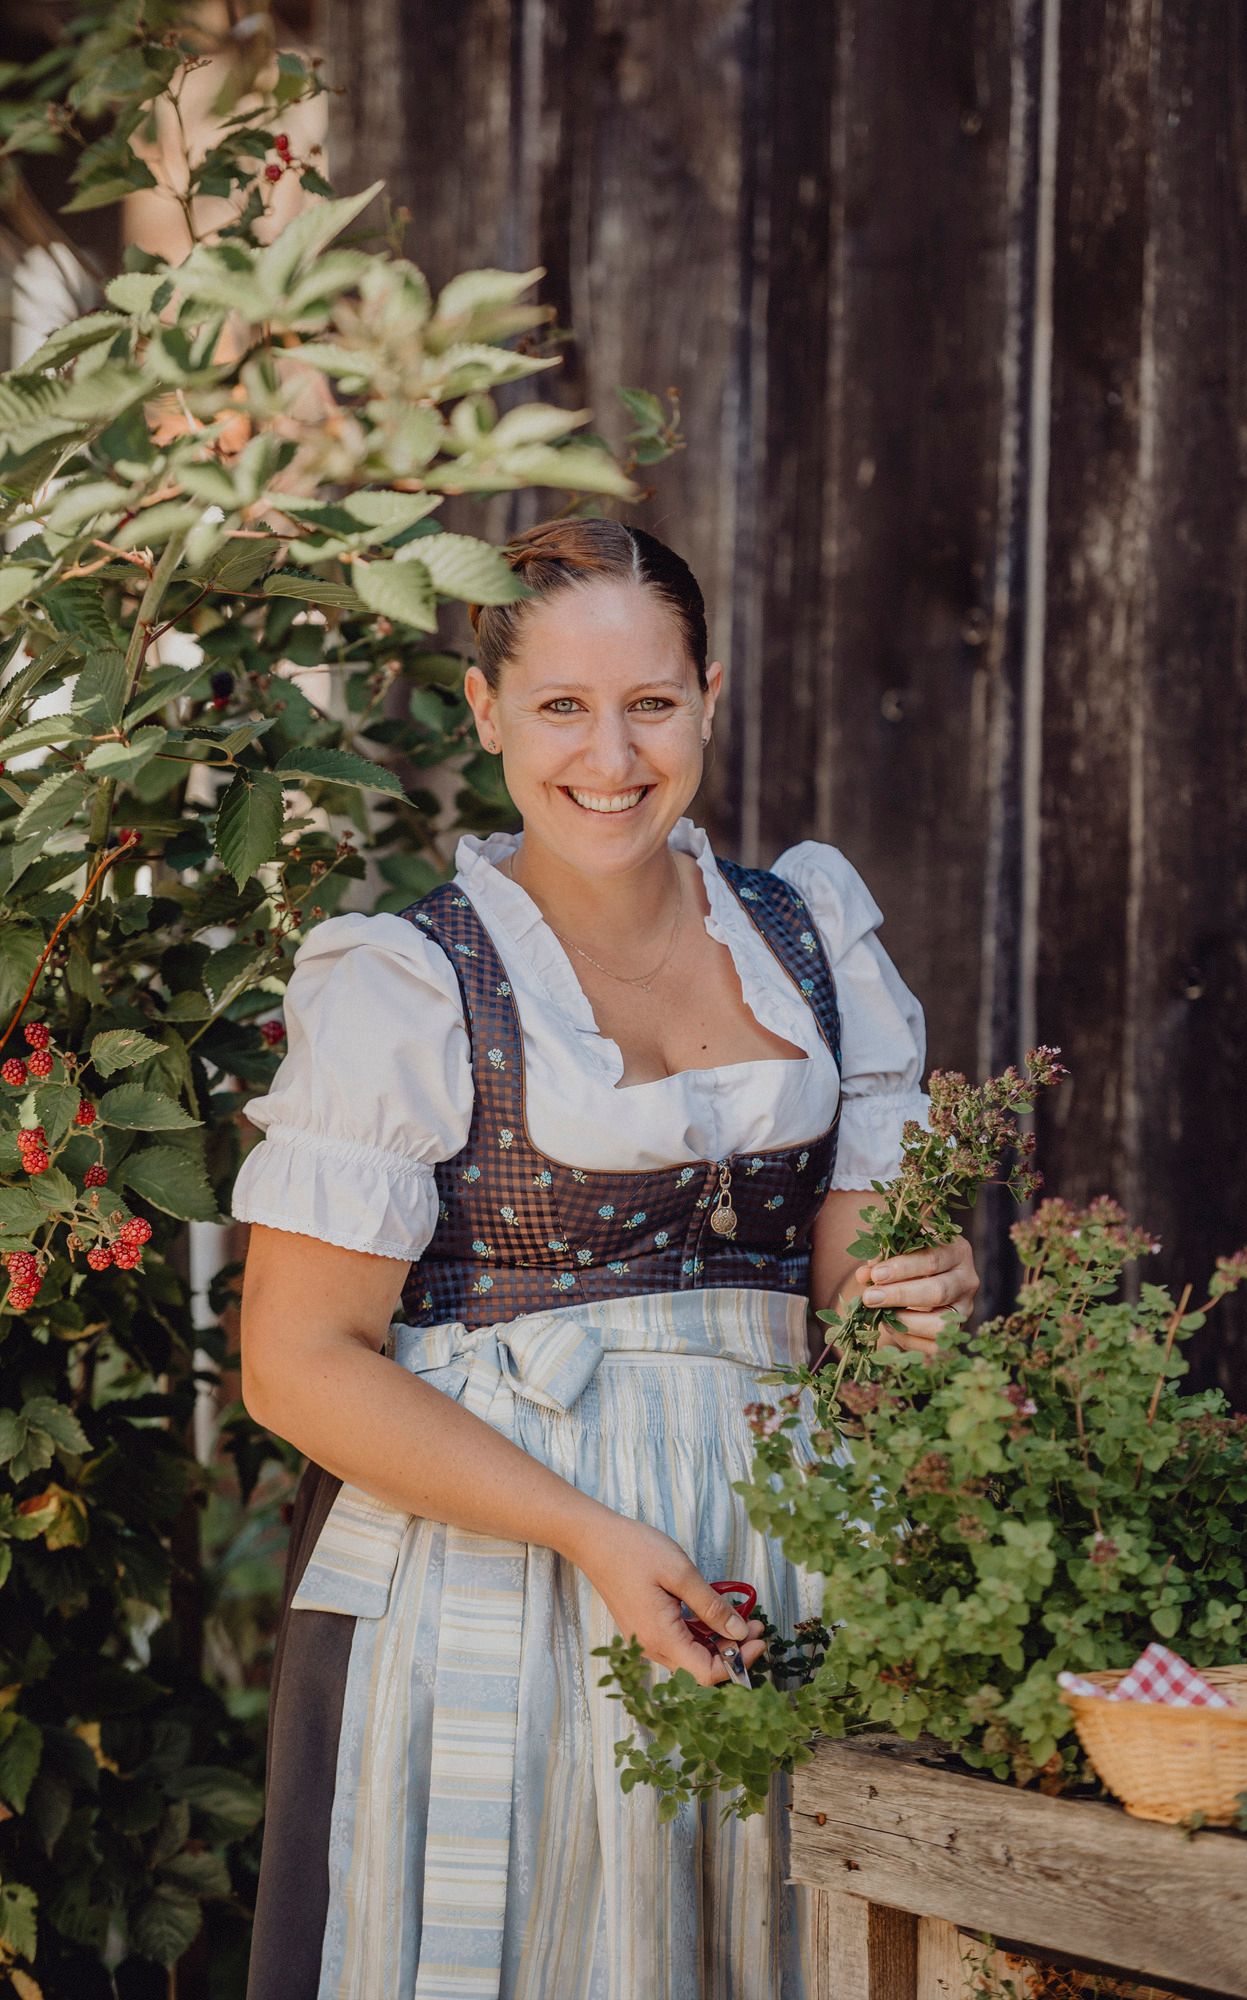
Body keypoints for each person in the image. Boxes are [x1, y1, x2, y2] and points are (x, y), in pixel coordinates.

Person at [232, 515, 979, 2000]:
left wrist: (926, 1306)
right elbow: (295, 1364)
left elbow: (862, 1307)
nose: (612, 756)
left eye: (649, 703)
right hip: (498, 1586)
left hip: (777, 1569)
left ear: (711, 692)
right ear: (488, 710)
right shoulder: (410, 979)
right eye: (563, 707)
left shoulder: (812, 938)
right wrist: (590, 1535)